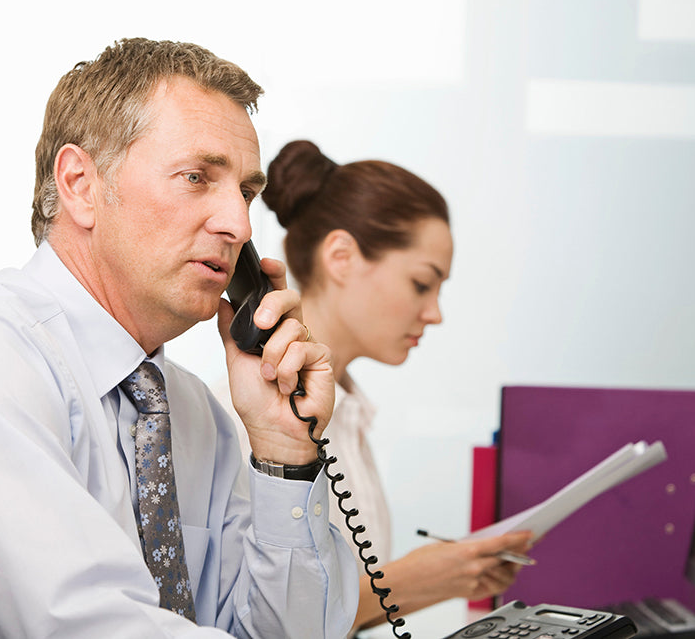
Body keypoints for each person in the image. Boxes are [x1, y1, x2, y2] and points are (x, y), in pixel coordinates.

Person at [0, 38, 357, 638]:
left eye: (245, 193)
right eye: (196, 177)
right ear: (81, 184)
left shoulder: (195, 416)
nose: (239, 225)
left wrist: (283, 452)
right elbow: (93, 625)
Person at [215, 139, 532, 634]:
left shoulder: (350, 419)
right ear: (341, 256)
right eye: (422, 284)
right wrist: (416, 580)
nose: (435, 312)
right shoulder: (243, 417)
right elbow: (256, 616)